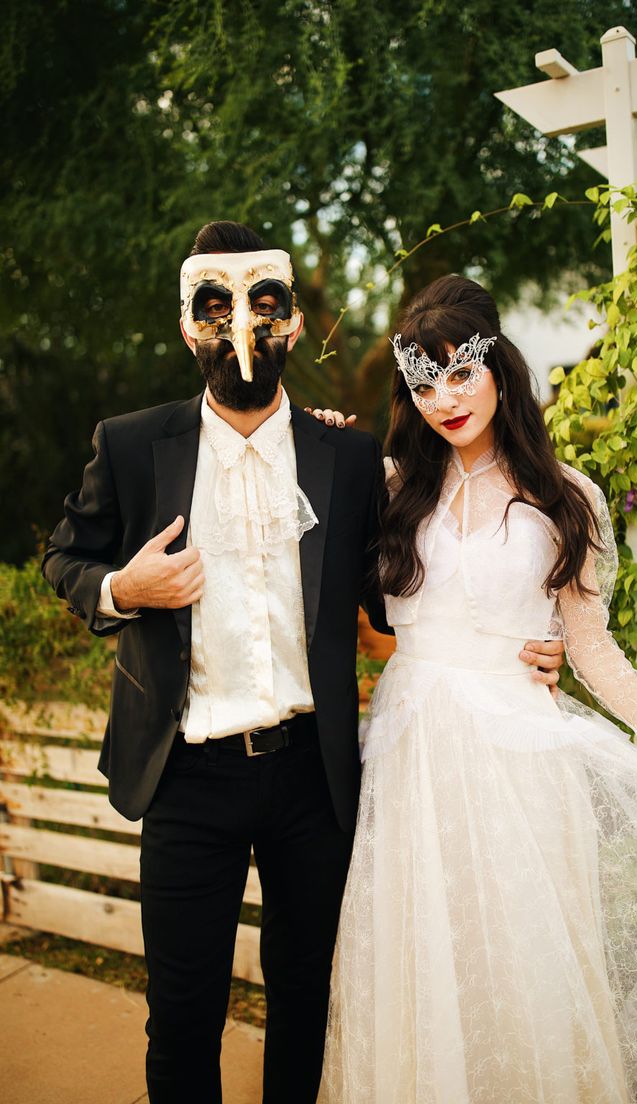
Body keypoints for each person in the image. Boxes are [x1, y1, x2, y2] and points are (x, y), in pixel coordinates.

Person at [41, 226, 563, 1104]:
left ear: (288, 325)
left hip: (311, 781)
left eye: (262, 306)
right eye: (212, 309)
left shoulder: (348, 458)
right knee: (181, 1014)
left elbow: (397, 591)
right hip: (184, 778)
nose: (238, 328)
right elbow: (66, 557)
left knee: (306, 1005)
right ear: (186, 328)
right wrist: (123, 588)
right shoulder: (132, 445)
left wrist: (516, 646)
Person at [318, 275, 637, 1104]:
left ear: (498, 370)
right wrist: (319, 442)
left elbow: (590, 647)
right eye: (424, 383)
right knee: (422, 959)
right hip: (410, 763)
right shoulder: (395, 487)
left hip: (517, 760)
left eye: (461, 373)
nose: (445, 399)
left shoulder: (562, 495)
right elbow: (351, 602)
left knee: (525, 961)